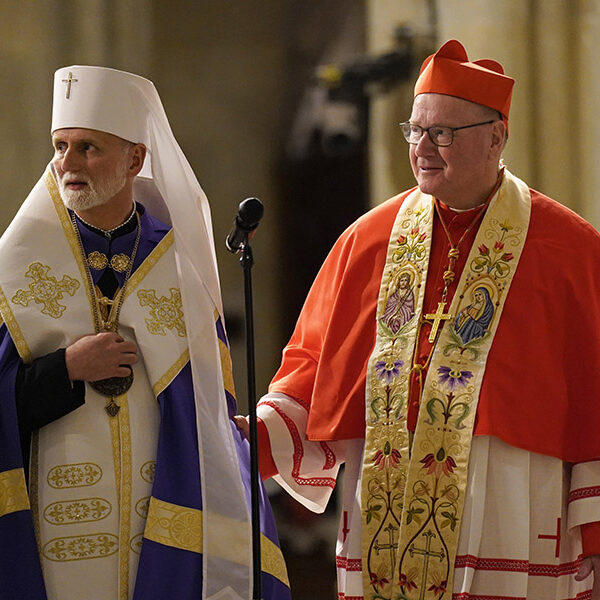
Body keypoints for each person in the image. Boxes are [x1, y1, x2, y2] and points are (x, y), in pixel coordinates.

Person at [241, 40, 600, 599]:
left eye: (445, 133)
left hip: (513, 520)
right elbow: (315, 368)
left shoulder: (571, 250)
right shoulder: (368, 241)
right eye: (416, 130)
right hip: (384, 515)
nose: (425, 148)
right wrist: (245, 441)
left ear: (497, 137)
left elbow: (593, 397)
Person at [0, 66, 290, 600]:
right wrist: (64, 371)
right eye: (60, 146)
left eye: (88, 147)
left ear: (135, 158)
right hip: (50, 523)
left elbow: (205, 410)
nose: (68, 164)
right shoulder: (16, 265)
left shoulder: (179, 263)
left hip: (156, 522)